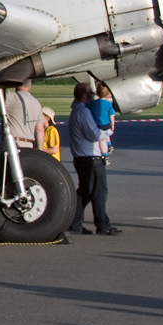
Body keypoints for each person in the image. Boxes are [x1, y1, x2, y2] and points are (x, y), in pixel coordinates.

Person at [66, 83, 118, 236]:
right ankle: (103, 224)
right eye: (90, 93)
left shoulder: (77, 110)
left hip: (81, 157)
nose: (93, 95)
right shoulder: (83, 112)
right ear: (83, 95)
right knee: (99, 191)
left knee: (85, 191)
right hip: (91, 157)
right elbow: (94, 134)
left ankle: (74, 223)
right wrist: (108, 131)